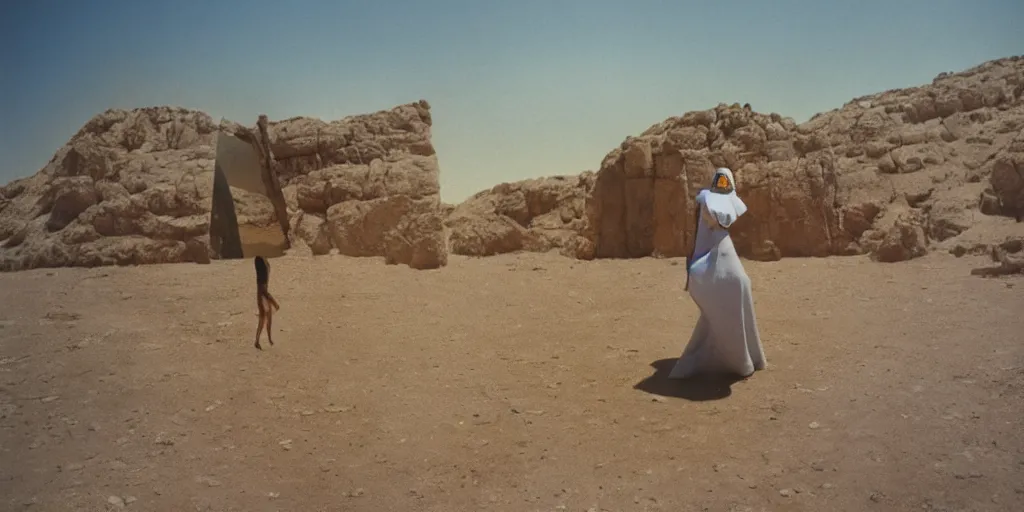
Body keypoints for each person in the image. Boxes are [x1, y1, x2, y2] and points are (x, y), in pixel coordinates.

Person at [671, 167, 766, 379]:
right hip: (710, 262)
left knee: (736, 292)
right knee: (733, 295)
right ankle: (740, 360)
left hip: (715, 260)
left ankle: (740, 358)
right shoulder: (707, 201)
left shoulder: (708, 202)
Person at [253, 256, 280, 350]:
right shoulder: (262, 280)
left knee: (267, 318)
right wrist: (274, 303)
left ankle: (267, 339)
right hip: (262, 297)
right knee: (263, 318)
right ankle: (259, 340)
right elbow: (264, 292)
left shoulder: (262, 278)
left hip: (262, 296)